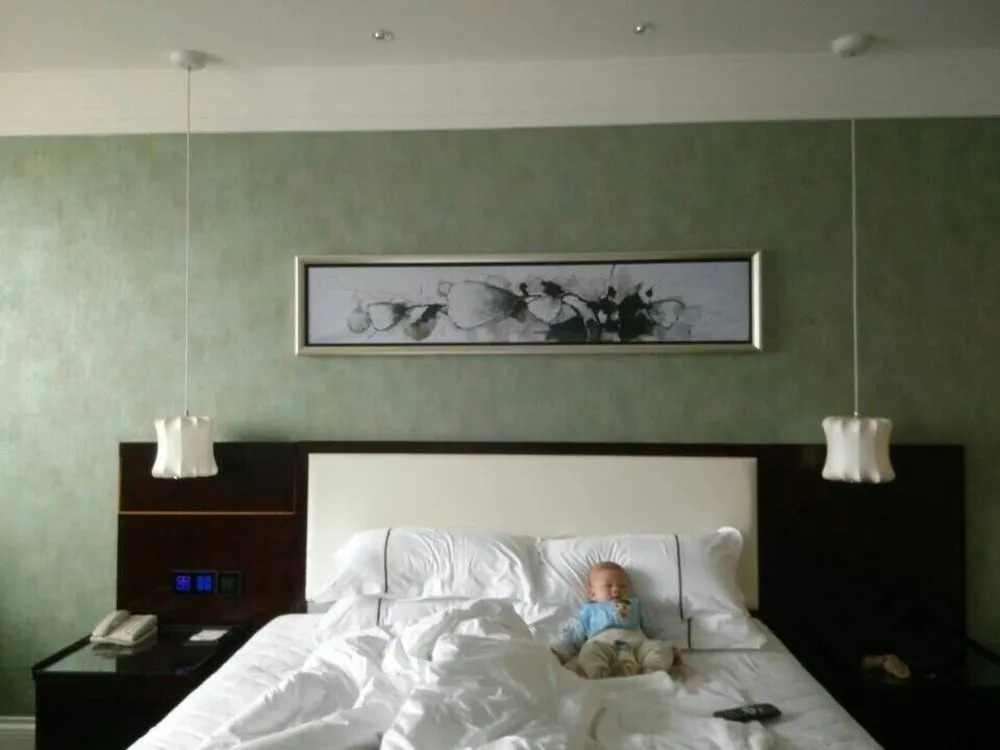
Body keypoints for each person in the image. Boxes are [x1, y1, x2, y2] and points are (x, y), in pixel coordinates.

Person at [552, 560, 682, 679]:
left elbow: (653, 628)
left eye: (622, 586)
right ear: (592, 593)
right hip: (603, 647)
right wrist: (558, 653)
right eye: (608, 586)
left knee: (661, 649)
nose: (616, 590)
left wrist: (670, 646)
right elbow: (572, 636)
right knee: (588, 652)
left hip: (636, 647)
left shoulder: (636, 606)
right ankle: (600, 676)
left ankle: (651, 673)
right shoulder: (588, 611)